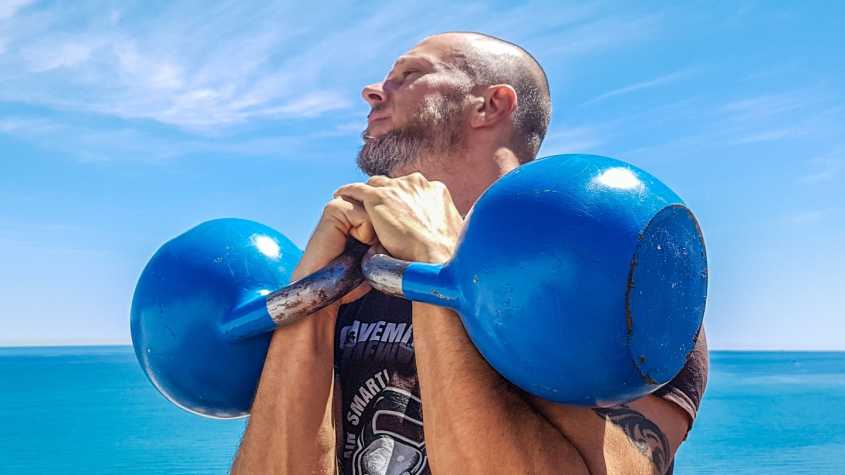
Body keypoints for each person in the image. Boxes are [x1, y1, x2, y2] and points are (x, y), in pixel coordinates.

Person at [231, 32, 708, 475]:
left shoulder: (616, 274)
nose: (372, 91)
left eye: (410, 74)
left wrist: (434, 257)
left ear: (489, 105)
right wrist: (312, 298)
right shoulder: (350, 274)